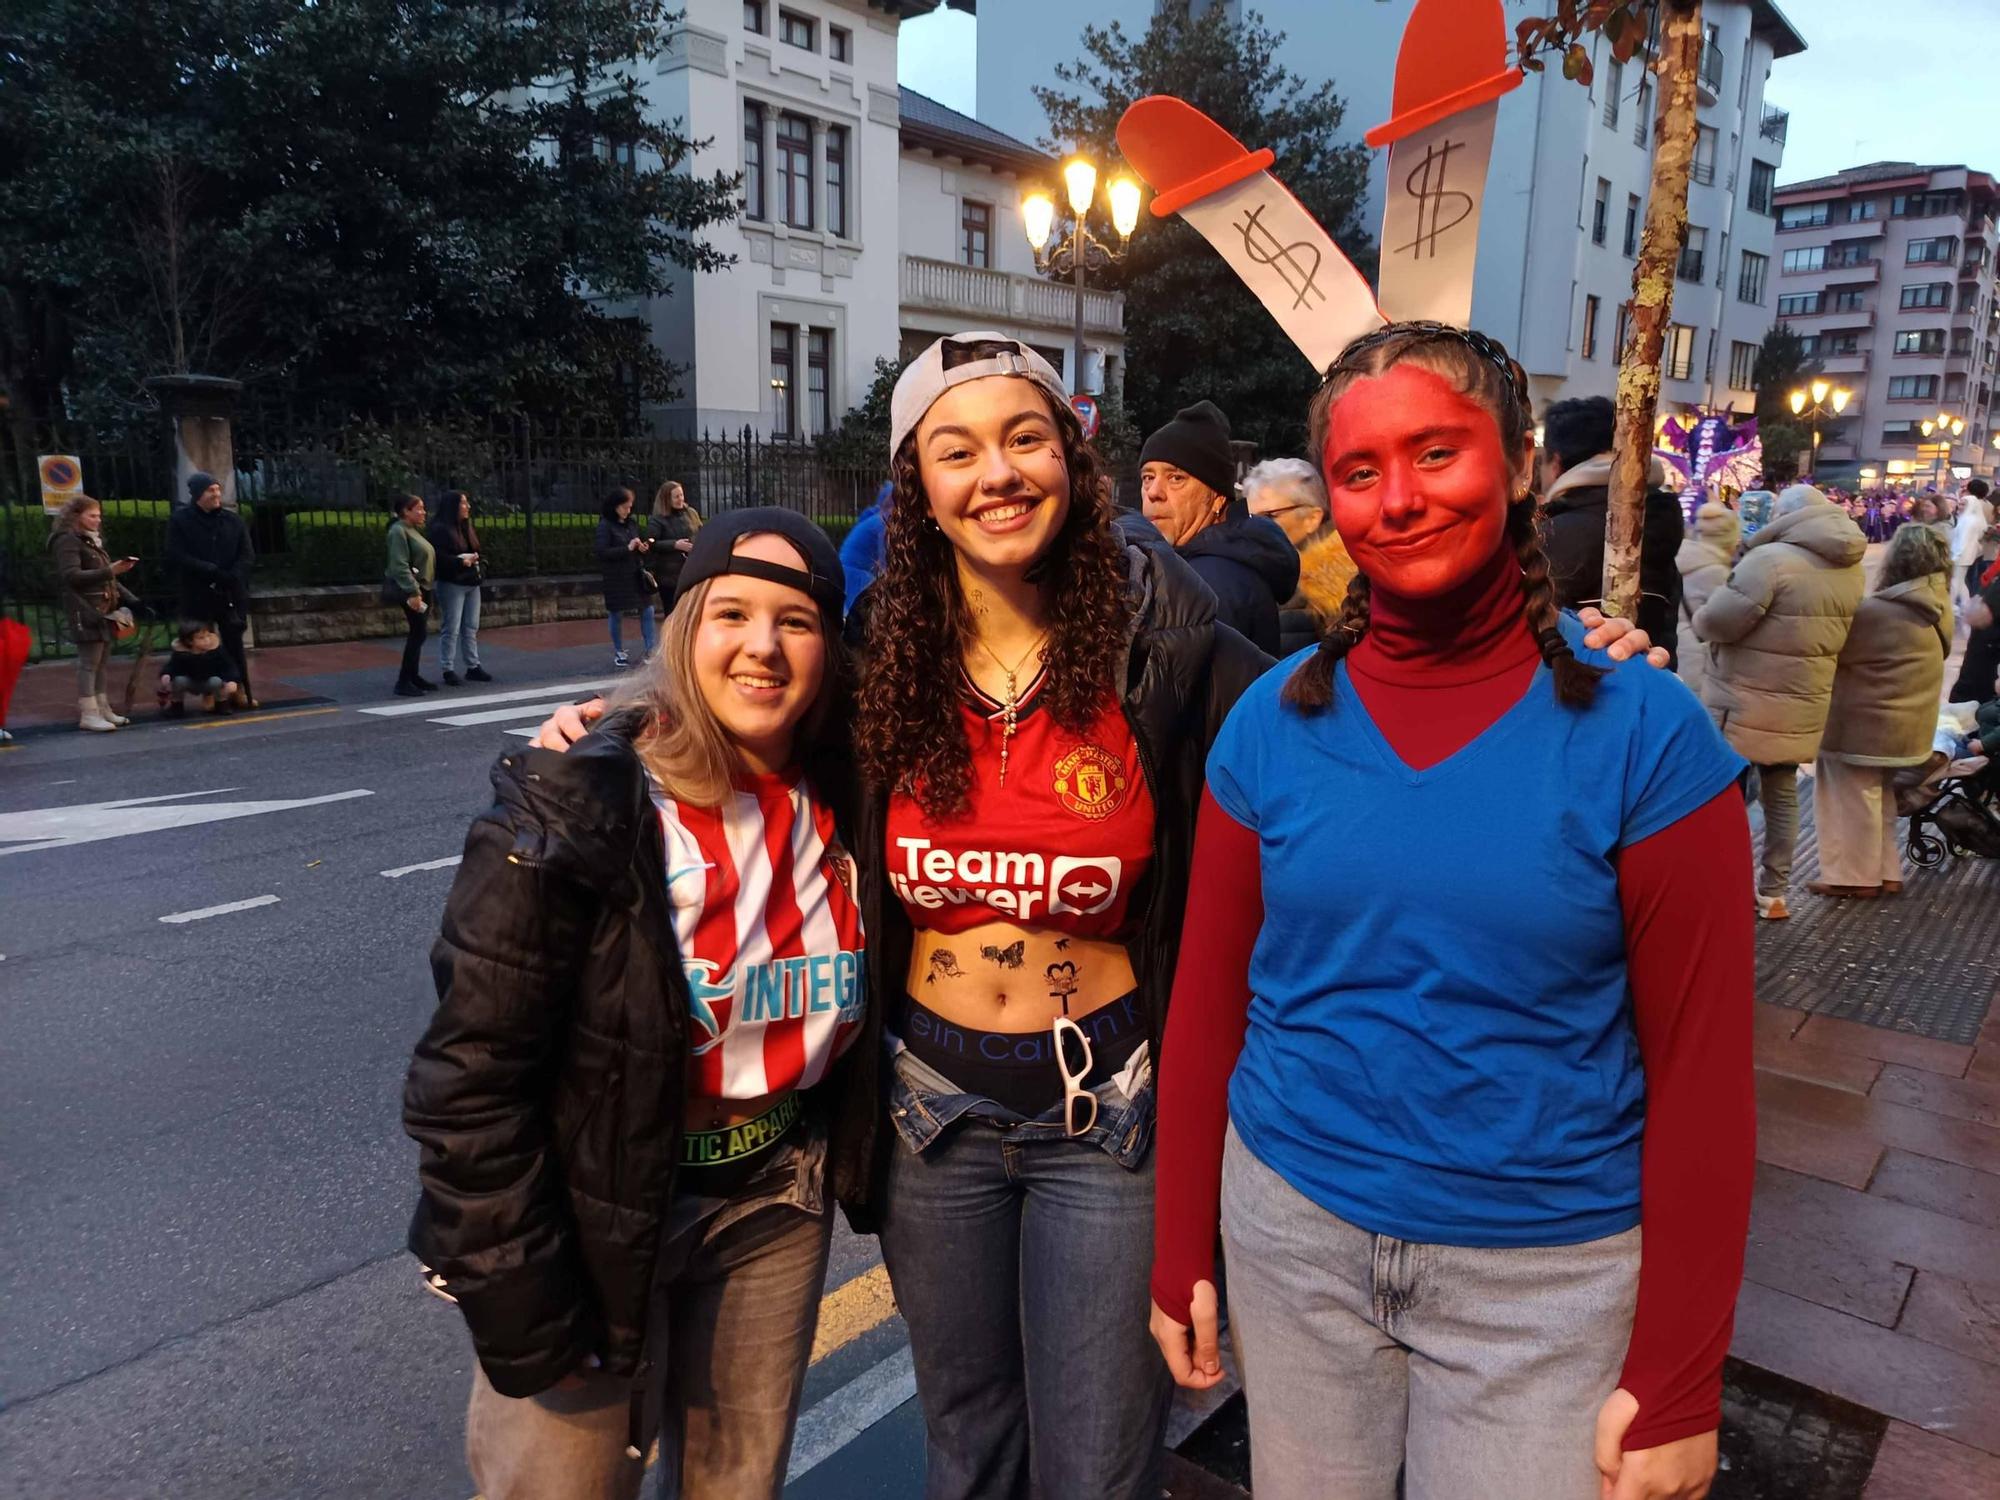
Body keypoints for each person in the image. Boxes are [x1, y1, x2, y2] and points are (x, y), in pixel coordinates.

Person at [525, 336, 1665, 1500]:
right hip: (930, 1116)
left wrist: (1555, 644)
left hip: (1106, 1115)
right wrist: (611, 730)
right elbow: (731, 703)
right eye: (955, 450)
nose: (996, 473)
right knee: (964, 1443)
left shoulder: (1165, 650)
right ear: (916, 485)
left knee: (1099, 1459)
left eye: (1025, 439)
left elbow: (1354, 696)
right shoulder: (875, 662)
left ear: (1072, 460)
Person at [1149, 323, 1754, 1500]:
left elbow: (1701, 1076)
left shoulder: (1642, 732)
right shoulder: (1270, 724)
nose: (1399, 499)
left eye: (1436, 453)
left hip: (1544, 1280)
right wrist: (1180, 1250)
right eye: (1360, 471)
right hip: (1292, 1240)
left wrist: (1681, 1376)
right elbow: (1208, 1004)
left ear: (1517, 462)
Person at [404, 510, 876, 1500]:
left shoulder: (850, 787)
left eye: (795, 622)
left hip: (774, 1200)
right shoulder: (579, 803)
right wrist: (518, 1291)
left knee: (734, 1487)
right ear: (684, 628)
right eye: (732, 613)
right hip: (594, 1214)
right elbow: (468, 1080)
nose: (761, 646)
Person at [1694, 484, 1866, 920]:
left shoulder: (1769, 561)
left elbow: (1720, 620)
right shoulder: (1850, 568)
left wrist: (1699, 618)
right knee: (1782, 791)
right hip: (1803, 698)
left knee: (1726, 795)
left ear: (1784, 516)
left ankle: (1722, 884)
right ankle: (1774, 892)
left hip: (1745, 697)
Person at [1811, 523, 1953, 898]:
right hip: (1907, 727)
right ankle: (1888, 871)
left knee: (1850, 799)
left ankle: (1854, 878)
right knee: (1880, 798)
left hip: (1862, 726)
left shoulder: (1877, 611)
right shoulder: (1938, 608)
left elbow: (1833, 652)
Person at [1140, 400, 1300, 655]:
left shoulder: (1206, 584)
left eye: (1176, 478)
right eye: (1148, 477)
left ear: (1217, 497)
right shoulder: (1224, 562)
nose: (1153, 492)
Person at [1538, 395, 1684, 667]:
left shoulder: (1557, 535)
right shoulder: (1658, 521)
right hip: (1648, 686)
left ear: (1555, 463)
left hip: (1578, 689)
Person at [1243, 456, 1357, 658]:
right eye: (1248, 517)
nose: (1253, 527)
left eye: (1270, 516)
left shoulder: (1334, 589)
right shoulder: (1254, 574)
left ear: (1313, 518)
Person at [165, 471, 256, 708]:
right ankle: (209, 692)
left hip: (230, 593)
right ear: (197, 495)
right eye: (210, 490)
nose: (216, 494)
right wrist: (208, 569)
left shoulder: (232, 520)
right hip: (197, 592)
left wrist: (233, 575)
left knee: (234, 644)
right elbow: (177, 554)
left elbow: (246, 553)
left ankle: (239, 689)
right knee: (201, 645)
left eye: (217, 489)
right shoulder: (181, 520)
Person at [49, 493, 139, 732]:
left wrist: (132, 599)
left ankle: (103, 708)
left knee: (101, 663)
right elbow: (71, 576)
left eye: (99, 515)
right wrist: (111, 570)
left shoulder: (90, 541)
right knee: (89, 663)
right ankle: (89, 713)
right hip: (85, 609)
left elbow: (108, 577)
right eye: (92, 515)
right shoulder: (67, 541)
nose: (98, 520)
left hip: (104, 609)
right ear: (76, 516)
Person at [1675, 499, 1741, 701]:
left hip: (1676, 646)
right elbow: (1726, 623)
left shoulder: (1680, 558)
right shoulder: (1718, 573)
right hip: (1700, 658)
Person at [428, 491, 490, 687]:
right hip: (452, 582)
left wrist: (478, 561)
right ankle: (448, 667)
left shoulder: (465, 527)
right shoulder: (440, 529)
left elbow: (478, 550)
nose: (467, 507)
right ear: (453, 506)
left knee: (471, 626)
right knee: (451, 627)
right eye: (463, 503)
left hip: (471, 581)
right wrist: (459, 561)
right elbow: (438, 557)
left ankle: (473, 665)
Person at [596, 487, 658, 668]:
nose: (627, 511)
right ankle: (619, 650)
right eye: (624, 507)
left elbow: (636, 545)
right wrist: (627, 548)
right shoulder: (605, 526)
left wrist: (642, 548)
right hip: (616, 578)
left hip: (635, 574)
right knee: (616, 613)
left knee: (648, 609)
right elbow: (602, 552)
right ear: (615, 507)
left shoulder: (631, 524)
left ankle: (650, 649)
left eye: (629, 507)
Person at [385, 493, 438, 698]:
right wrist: (414, 591)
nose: (423, 512)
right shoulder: (398, 531)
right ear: (406, 511)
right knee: (417, 634)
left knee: (420, 633)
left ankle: (413, 676)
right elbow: (399, 565)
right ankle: (404, 681)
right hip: (413, 590)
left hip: (423, 587)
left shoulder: (411, 530)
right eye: (419, 508)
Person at [160, 619, 243, 715]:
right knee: (178, 681)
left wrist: (232, 680)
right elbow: (172, 666)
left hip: (209, 681)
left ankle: (221, 704)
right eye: (201, 638)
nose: (207, 640)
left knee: (217, 681)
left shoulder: (217, 651)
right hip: (190, 681)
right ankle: (176, 705)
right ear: (189, 641)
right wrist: (166, 674)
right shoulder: (181, 654)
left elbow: (229, 666)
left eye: (208, 636)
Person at [838, 481, 893, 614]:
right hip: (856, 575)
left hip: (846, 571)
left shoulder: (874, 517)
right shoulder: (882, 523)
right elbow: (884, 559)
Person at [649, 480, 703, 600]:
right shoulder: (658, 519)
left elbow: (700, 531)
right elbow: (651, 543)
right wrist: (674, 545)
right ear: (667, 499)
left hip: (691, 569)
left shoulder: (690, 513)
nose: (680, 499)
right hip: (669, 574)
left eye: (681, 495)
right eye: (676, 497)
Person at [1950, 479, 1992, 613]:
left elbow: (1963, 540)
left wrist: (1956, 555)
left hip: (1962, 554)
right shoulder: (1972, 517)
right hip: (1968, 554)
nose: (1960, 507)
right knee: (1961, 581)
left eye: (1963, 504)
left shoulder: (1968, 521)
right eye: (1960, 504)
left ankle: (1953, 604)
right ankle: (1966, 604)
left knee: (1956, 580)